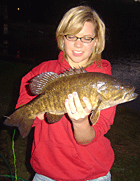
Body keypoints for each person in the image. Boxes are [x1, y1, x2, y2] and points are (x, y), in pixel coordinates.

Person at [15, 6, 116, 181]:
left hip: (90, 173)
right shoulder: (41, 71)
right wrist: (40, 113)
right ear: (62, 38)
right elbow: (23, 115)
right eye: (71, 36)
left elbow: (91, 136)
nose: (78, 44)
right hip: (46, 172)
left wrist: (80, 122)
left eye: (86, 38)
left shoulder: (103, 83)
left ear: (96, 41)